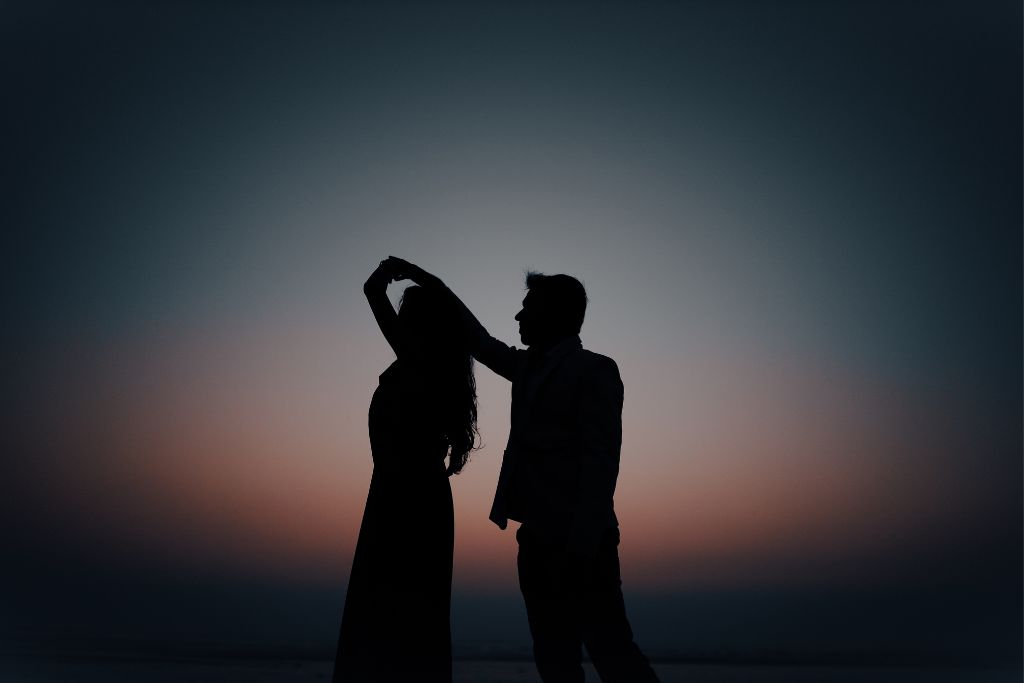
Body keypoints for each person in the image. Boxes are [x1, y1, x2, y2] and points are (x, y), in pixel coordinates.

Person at [390, 257, 660, 683]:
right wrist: (428, 280)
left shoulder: (595, 370)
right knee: (554, 659)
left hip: (580, 544)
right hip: (535, 539)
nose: (518, 314)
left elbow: (601, 462)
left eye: (528, 307)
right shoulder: (528, 368)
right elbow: (478, 339)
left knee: (612, 652)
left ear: (554, 314)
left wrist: (581, 548)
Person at [332, 259, 478, 683]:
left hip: (404, 498)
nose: (401, 323)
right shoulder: (434, 366)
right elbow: (374, 294)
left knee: (391, 614)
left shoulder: (421, 362)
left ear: (424, 325)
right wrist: (409, 275)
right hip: (408, 495)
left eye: (409, 315)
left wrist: (397, 271)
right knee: (406, 617)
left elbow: (372, 292)